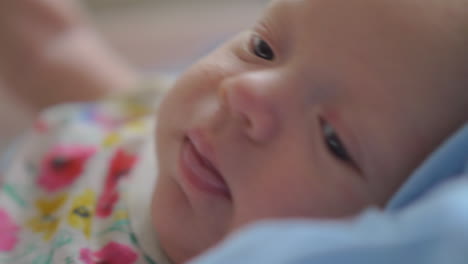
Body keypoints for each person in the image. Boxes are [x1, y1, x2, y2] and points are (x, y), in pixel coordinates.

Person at [0, 0, 466, 263]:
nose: (245, 91)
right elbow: (51, 52)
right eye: (263, 48)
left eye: (332, 140)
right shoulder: (152, 112)